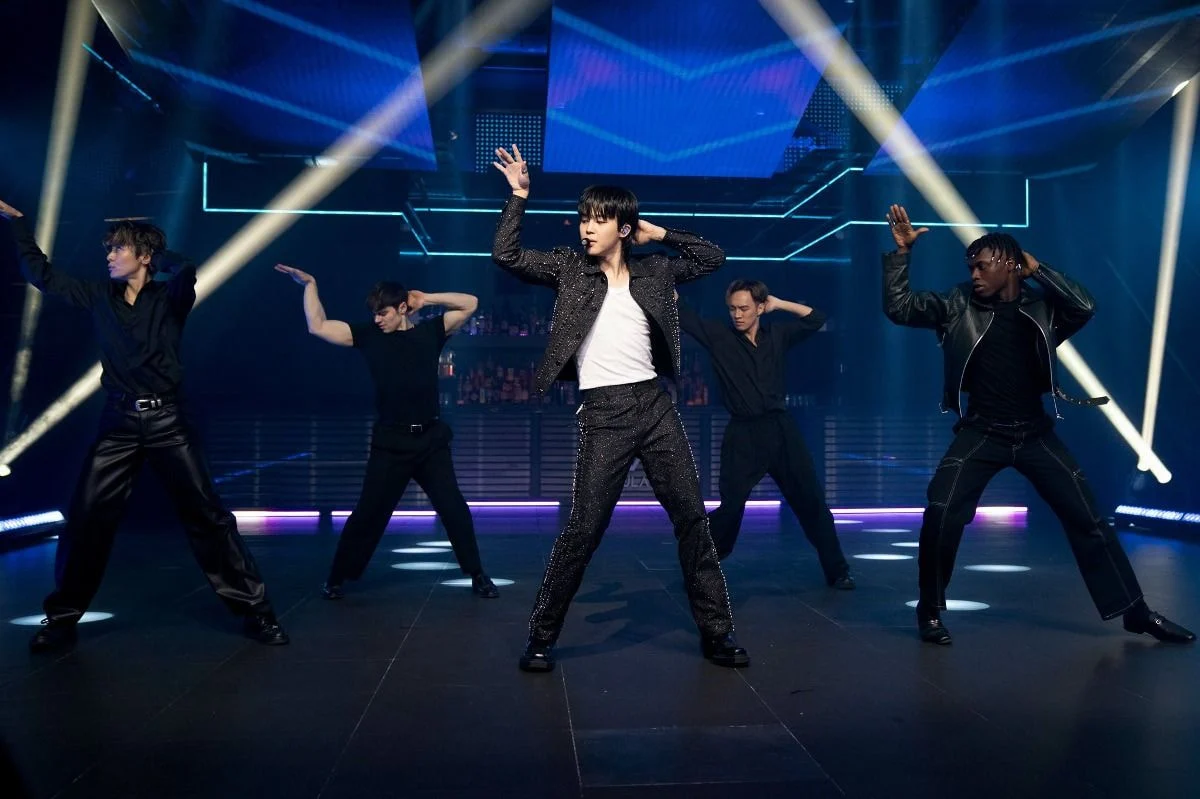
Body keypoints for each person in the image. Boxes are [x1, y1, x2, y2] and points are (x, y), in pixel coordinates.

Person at [882, 203, 1194, 646]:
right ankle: (929, 610)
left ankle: (1136, 612)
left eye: (983, 266)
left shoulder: (1042, 309)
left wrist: (1040, 269)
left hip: (1034, 434)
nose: (974, 274)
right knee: (941, 511)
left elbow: (1085, 305)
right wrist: (901, 255)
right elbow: (899, 308)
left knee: (1090, 521)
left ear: (1010, 265)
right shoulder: (956, 303)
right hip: (982, 433)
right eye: (971, 267)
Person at [490, 145, 748, 672]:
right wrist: (518, 197)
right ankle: (541, 637)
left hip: (655, 407)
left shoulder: (655, 272)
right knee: (583, 529)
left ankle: (718, 633)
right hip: (603, 413)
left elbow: (712, 258)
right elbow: (507, 256)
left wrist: (661, 233)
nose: (586, 228)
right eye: (584, 218)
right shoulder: (569, 268)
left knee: (692, 520)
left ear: (623, 228)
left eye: (598, 220)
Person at [0, 198, 288, 652]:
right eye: (109, 248)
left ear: (144, 256)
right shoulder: (99, 295)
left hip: (168, 420)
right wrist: (18, 225)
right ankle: (61, 620)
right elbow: (43, 276)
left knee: (208, 518)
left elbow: (185, 267)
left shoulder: (171, 298)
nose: (109, 255)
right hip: (118, 422)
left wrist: (151, 250)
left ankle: (258, 614)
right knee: (86, 520)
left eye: (118, 248)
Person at [275, 265, 498, 599]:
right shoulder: (369, 336)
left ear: (402, 308)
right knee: (368, 513)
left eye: (384, 313)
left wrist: (426, 299)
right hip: (391, 443)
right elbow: (317, 326)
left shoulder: (430, 333)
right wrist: (310, 284)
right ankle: (337, 578)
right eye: (375, 314)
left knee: (454, 508)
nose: (378, 319)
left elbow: (471, 303)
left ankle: (477, 574)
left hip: (430, 441)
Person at [677, 280, 853, 588]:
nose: (737, 315)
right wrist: (664, 282)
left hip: (781, 430)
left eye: (744, 308)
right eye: (732, 308)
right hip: (743, 433)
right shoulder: (720, 336)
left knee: (812, 502)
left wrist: (780, 303)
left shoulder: (777, 335)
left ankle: (838, 571)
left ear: (760, 308)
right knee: (731, 508)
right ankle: (699, 570)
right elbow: (684, 315)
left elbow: (816, 318)